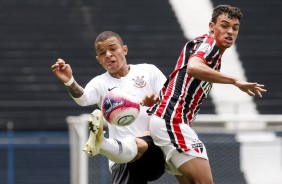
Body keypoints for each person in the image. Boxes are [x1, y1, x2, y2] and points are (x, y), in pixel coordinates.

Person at [146, 4, 267, 184]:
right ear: (212, 27)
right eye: (224, 25)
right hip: (171, 121)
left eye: (235, 28)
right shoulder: (209, 44)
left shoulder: (211, 53)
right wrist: (235, 81)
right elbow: (193, 68)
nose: (230, 32)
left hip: (168, 120)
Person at [52, 31, 177, 184]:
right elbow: (83, 99)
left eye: (113, 48)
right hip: (122, 156)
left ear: (124, 50)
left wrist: (158, 101)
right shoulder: (100, 83)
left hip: (154, 148)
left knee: (188, 168)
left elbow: (172, 99)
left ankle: (102, 144)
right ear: (99, 60)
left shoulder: (148, 71)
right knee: (130, 149)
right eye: (102, 53)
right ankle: (104, 144)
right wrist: (69, 81)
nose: (108, 54)